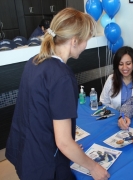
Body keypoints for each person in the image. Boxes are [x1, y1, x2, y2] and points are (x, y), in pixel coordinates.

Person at [5, 8, 109, 180]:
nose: (86, 46)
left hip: (24, 152)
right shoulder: (62, 76)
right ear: (74, 41)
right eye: (86, 41)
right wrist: (94, 167)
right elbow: (63, 142)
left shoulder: (34, 61)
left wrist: (70, 147)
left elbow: (38, 114)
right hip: (42, 162)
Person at [100, 46, 133, 111]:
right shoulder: (111, 79)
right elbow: (103, 102)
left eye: (128, 63)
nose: (124, 68)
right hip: (114, 116)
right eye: (120, 64)